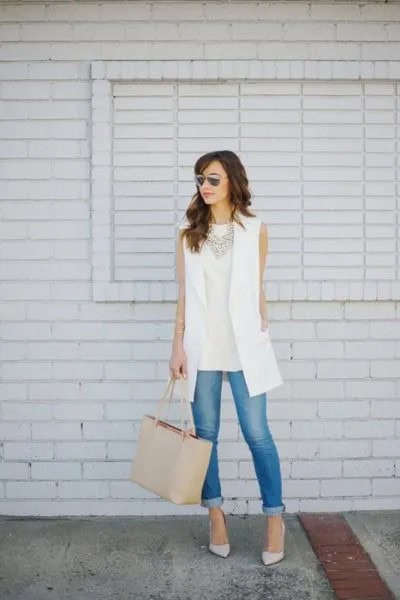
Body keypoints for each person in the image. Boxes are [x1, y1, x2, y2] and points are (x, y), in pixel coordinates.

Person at [168, 150, 286, 566]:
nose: (205, 185)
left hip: (244, 347)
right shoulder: (187, 232)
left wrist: (262, 323)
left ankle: (275, 519)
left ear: (233, 181)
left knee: (258, 435)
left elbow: (257, 286)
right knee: (206, 438)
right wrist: (177, 344)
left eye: (214, 179)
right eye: (201, 178)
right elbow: (184, 295)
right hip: (202, 347)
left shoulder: (256, 229)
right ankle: (216, 515)